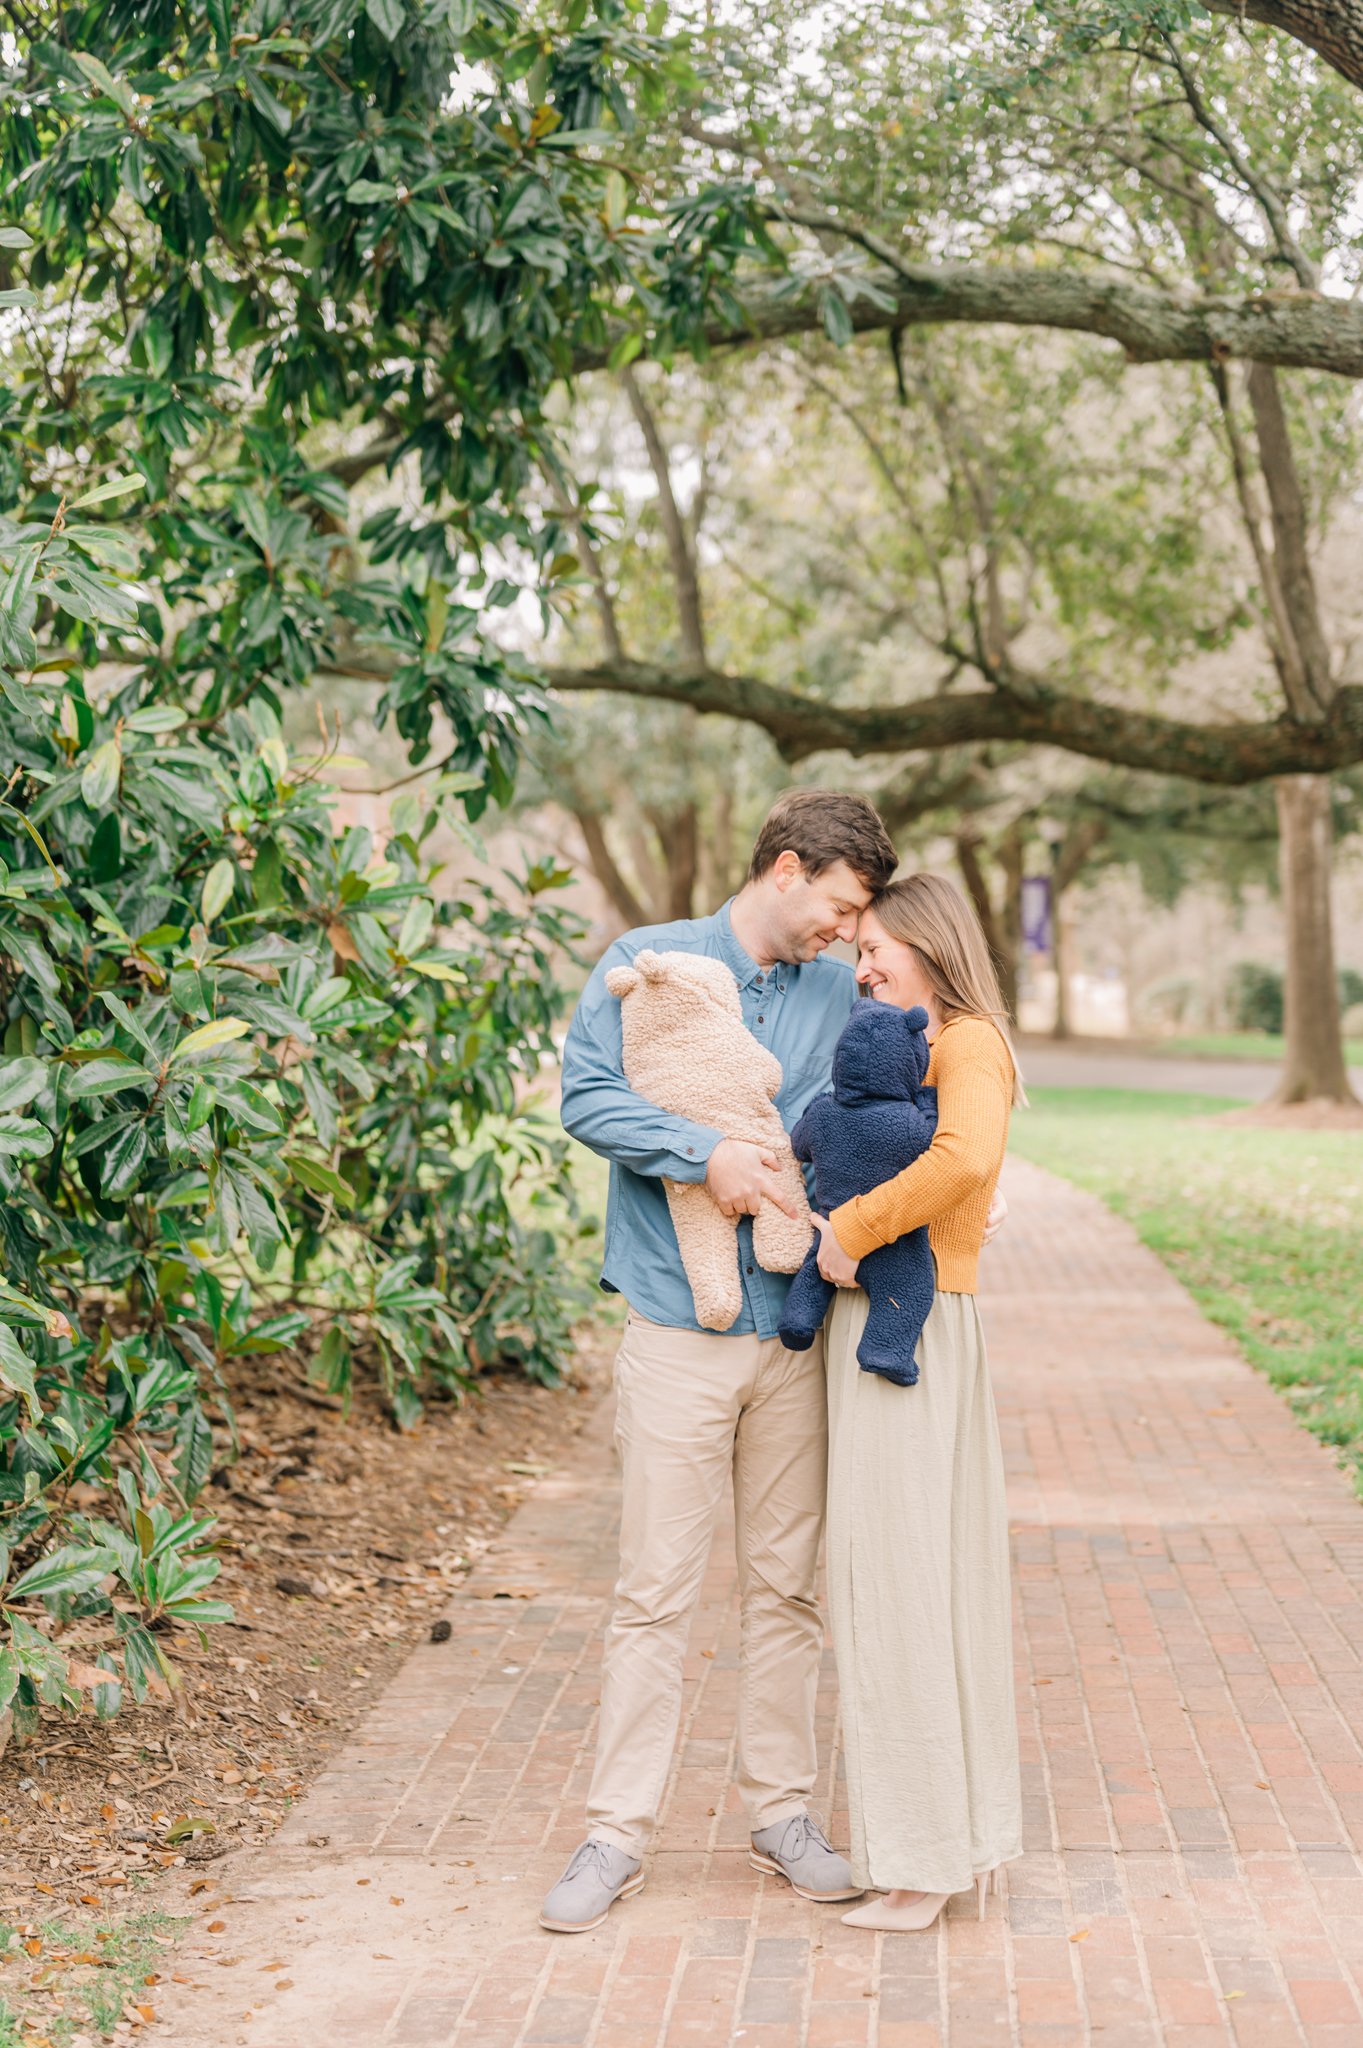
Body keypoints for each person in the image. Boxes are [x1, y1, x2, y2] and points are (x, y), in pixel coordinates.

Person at [539, 790, 898, 1934]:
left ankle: (781, 1813)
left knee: (787, 1584)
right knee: (654, 1589)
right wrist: (702, 1154)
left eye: (856, 918)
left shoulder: (841, 990)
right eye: (838, 906)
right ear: (785, 868)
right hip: (674, 1331)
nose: (844, 932)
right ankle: (616, 1832)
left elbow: (892, 1106)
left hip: (795, 1335)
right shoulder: (647, 962)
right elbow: (586, 1096)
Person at [809, 873, 1026, 1932]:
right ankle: (941, 1837)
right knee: (908, 1582)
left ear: (929, 942)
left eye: (876, 946)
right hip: (900, 1324)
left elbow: (968, 1155)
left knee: (896, 1584)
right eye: (856, 951)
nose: (861, 966)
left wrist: (849, 1227)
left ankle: (925, 1859)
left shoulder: (968, 1039)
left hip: (913, 1330)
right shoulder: (917, 1045)